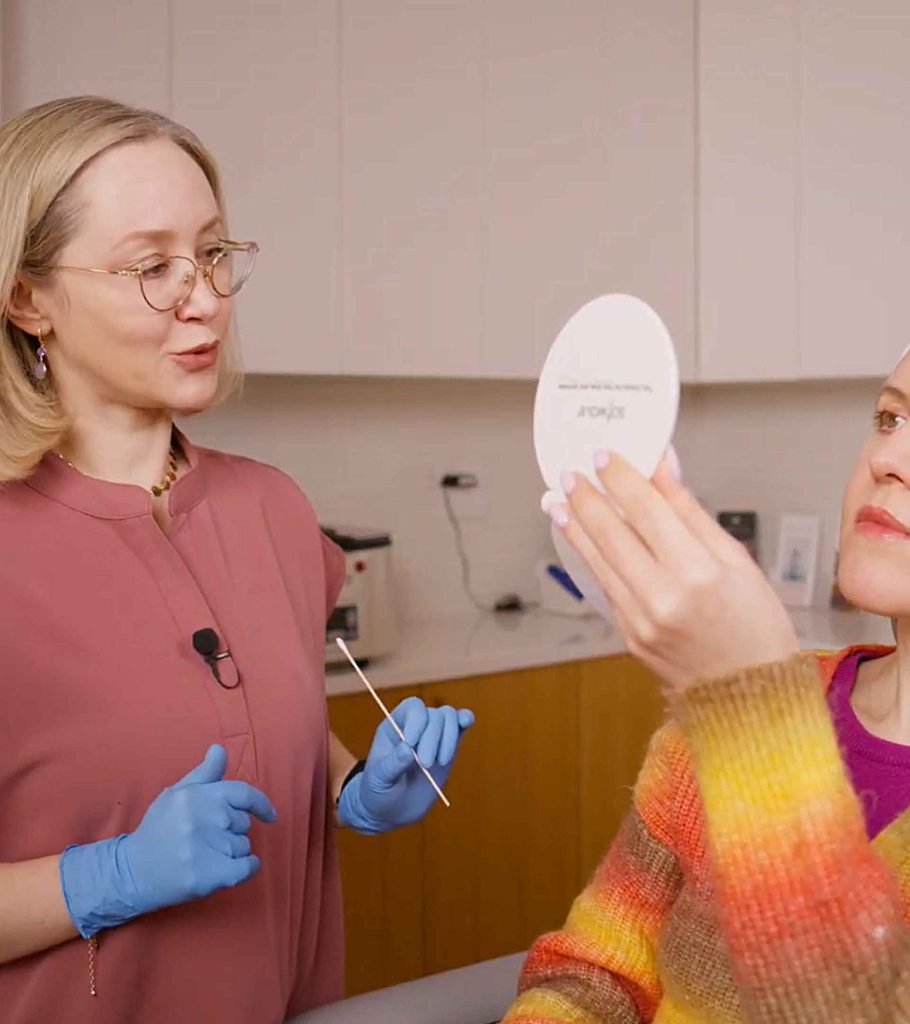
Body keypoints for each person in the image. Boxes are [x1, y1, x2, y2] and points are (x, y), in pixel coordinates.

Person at [0, 95, 474, 1024]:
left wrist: (355, 787)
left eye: (213, 254)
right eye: (152, 267)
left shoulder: (273, 509)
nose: (206, 299)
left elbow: (245, 722)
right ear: (28, 298)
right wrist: (107, 875)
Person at [503, 358, 910, 1022]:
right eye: (889, 418)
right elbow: (596, 975)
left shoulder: (747, 707)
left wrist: (753, 717)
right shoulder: (737, 709)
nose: (888, 457)